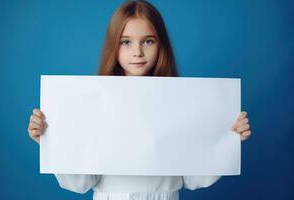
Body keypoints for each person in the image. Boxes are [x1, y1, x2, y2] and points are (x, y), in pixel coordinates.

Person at [27, 1, 252, 199]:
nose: (137, 52)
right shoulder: (93, 101)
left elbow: (194, 178)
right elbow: (81, 183)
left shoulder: (181, 101)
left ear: (161, 44)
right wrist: (50, 141)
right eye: (126, 42)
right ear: (113, 45)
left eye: (148, 41)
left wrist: (229, 139)